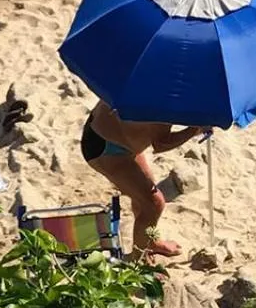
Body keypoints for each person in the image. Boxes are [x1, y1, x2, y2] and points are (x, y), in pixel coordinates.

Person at [80, 101, 209, 258]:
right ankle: (139, 258)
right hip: (104, 147)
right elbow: (161, 143)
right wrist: (195, 130)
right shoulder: (165, 97)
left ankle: (150, 241)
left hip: (117, 136)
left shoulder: (153, 82)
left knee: (145, 198)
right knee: (154, 203)